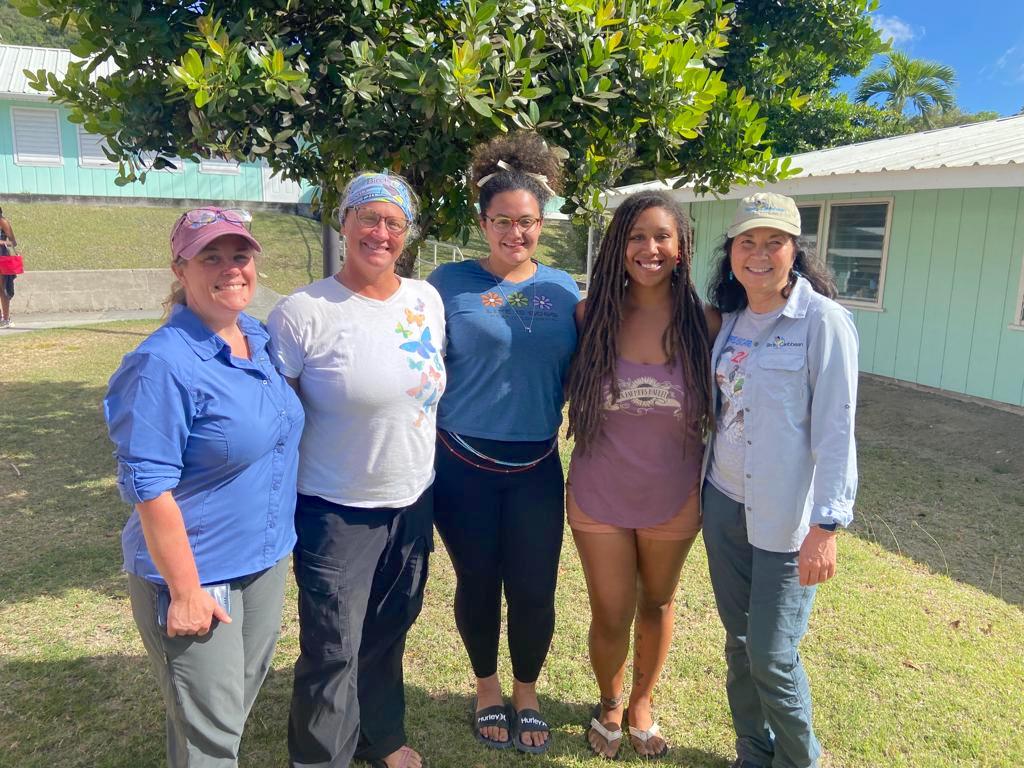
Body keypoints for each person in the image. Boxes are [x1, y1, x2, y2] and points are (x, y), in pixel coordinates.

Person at [104, 207, 305, 767]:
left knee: (224, 712)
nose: (230, 268)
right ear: (180, 268)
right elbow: (150, 488)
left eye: (240, 255)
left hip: (262, 560)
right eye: (210, 257)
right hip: (197, 572)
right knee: (211, 732)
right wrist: (186, 591)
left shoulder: (256, 339)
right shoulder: (161, 363)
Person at [268, 172, 444, 768]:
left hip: (412, 500)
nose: (380, 233)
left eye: (394, 223)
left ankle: (380, 737)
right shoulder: (304, 312)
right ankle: (319, 758)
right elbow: (279, 419)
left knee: (389, 629)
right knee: (333, 647)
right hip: (336, 508)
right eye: (368, 217)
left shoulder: (425, 300)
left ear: (407, 233)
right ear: (343, 222)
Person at [427, 131, 580, 754]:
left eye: (527, 222)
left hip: (536, 464)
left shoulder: (565, 289)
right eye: (502, 221)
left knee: (535, 588)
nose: (515, 233)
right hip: (461, 463)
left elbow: (580, 365)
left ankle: (527, 692)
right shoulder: (447, 283)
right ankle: (487, 687)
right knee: (478, 580)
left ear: (541, 223)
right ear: (483, 222)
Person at [702, 193, 858, 768]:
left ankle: (798, 760)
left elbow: (837, 428)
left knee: (771, 654)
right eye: (747, 242)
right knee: (739, 645)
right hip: (723, 501)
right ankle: (753, 750)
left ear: (796, 251)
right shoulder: (731, 321)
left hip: (787, 516)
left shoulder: (823, 322)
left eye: (775, 242)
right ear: (731, 252)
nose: (760, 254)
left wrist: (827, 525)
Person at [564, 191, 720, 759]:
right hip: (598, 490)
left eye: (661, 237)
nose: (648, 248)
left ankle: (642, 703)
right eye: (636, 236)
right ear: (618, 246)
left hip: (673, 493)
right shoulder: (589, 316)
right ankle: (610, 703)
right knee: (610, 611)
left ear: (681, 248)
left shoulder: (707, 323)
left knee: (656, 602)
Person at [0, 207, 19, 328]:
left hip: (2, 256)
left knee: (2, 288)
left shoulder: (3, 222)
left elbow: (13, 242)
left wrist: (1, 242)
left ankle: (6, 319)